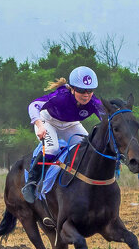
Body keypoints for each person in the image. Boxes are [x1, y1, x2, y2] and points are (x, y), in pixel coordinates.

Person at [21, 66, 105, 202]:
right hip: (48, 121)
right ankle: (31, 183)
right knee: (52, 148)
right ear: (72, 89)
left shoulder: (94, 102)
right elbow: (34, 105)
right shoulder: (61, 96)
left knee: (88, 148)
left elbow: (108, 119)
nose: (86, 95)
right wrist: (39, 125)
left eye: (90, 91)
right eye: (82, 90)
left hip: (70, 124)